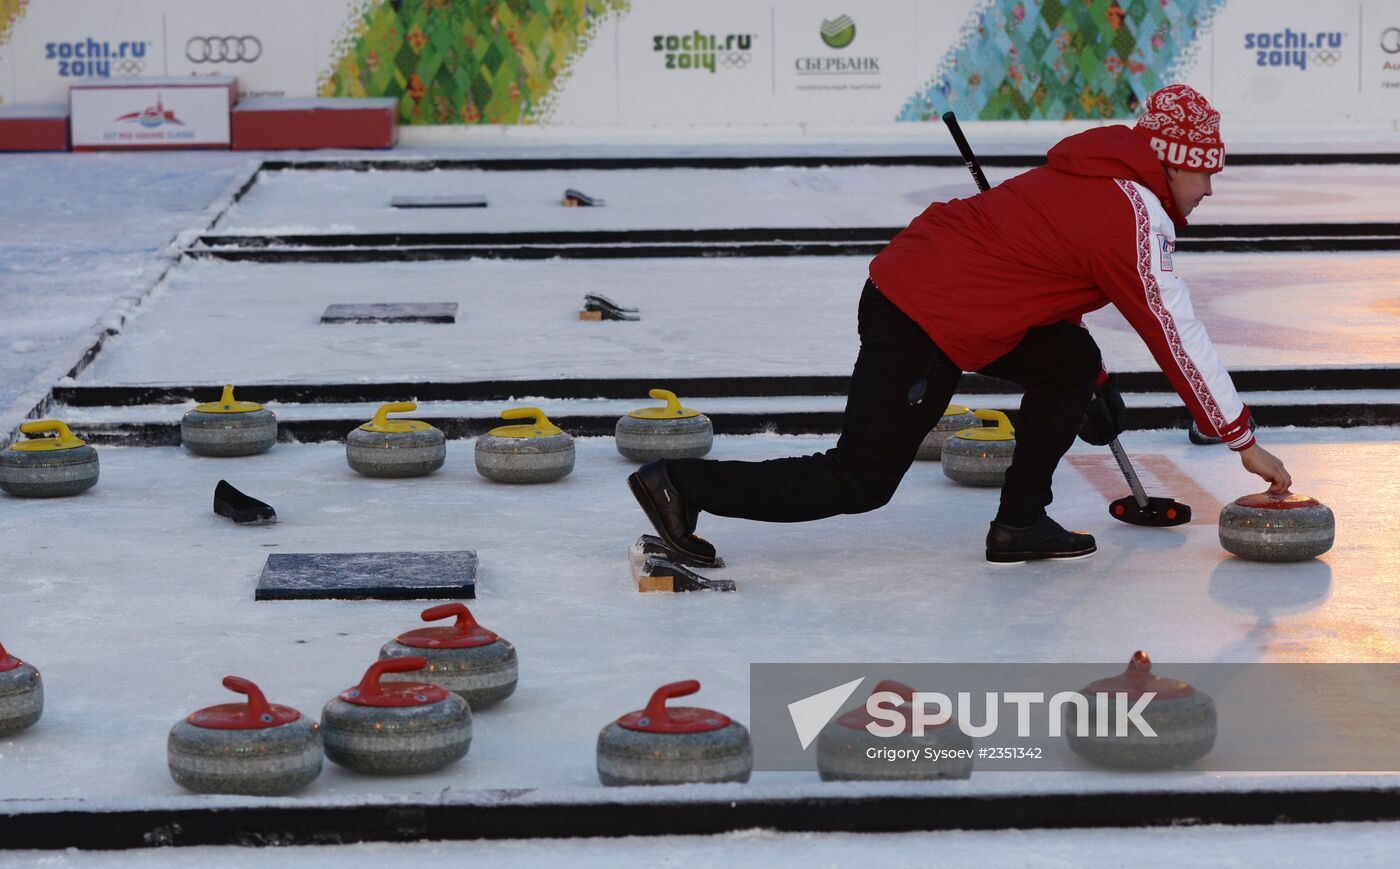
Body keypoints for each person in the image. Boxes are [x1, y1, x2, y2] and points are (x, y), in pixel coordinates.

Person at [628, 84, 1292, 565]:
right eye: (1204, 174)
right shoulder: (1134, 215)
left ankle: (1021, 522)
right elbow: (1175, 331)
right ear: (1173, 162)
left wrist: (1092, 377)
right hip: (924, 314)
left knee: (1069, 360)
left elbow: (1047, 277)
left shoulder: (1100, 177)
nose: (1207, 190)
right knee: (860, 478)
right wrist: (1241, 440)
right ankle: (682, 484)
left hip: (954, 296)